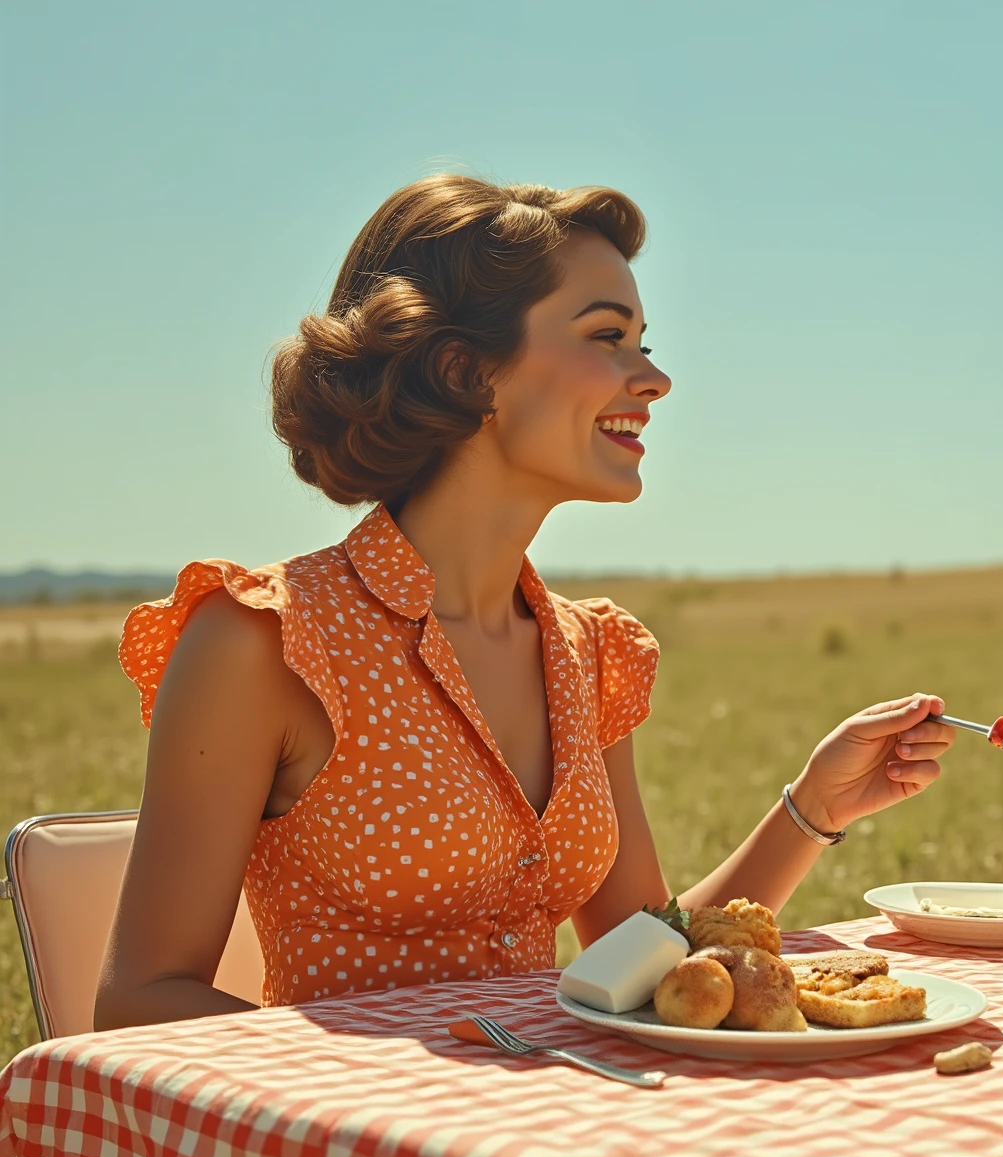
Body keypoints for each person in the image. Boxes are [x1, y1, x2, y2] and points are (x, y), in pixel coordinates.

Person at [94, 176, 956, 1028]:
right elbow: (140, 1001)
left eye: (645, 342)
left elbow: (647, 959)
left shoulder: (586, 651)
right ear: (468, 370)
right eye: (608, 337)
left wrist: (814, 809)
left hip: (541, 1135)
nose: (652, 378)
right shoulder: (266, 640)